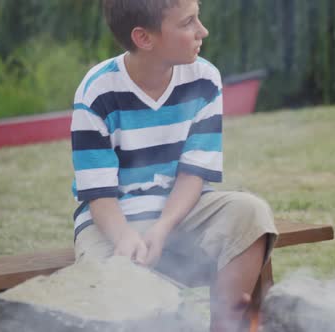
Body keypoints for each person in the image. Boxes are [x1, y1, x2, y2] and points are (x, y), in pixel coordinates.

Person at [70, 0, 278, 331]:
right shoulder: (96, 92)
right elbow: (99, 194)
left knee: (251, 212)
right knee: (108, 287)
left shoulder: (205, 78)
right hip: (111, 220)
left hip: (183, 208)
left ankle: (225, 323)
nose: (203, 31)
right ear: (144, 38)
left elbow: (193, 172)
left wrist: (163, 225)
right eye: (188, 23)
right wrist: (125, 237)